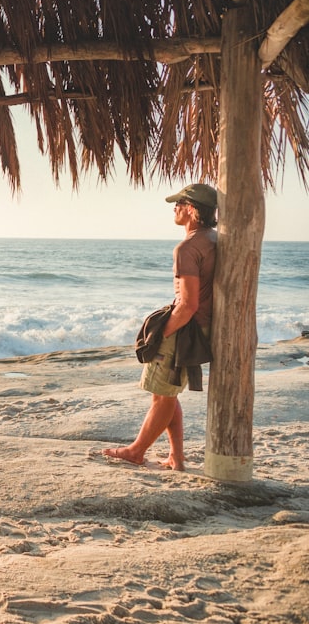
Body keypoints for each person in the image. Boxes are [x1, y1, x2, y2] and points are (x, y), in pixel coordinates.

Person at [103, 183, 218, 471]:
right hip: (199, 327)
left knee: (163, 395)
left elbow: (188, 304)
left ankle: (136, 451)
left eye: (179, 203)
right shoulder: (213, 239)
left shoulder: (188, 248)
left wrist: (162, 334)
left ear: (191, 210)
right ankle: (176, 457)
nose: (174, 208)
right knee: (166, 393)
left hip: (185, 327)